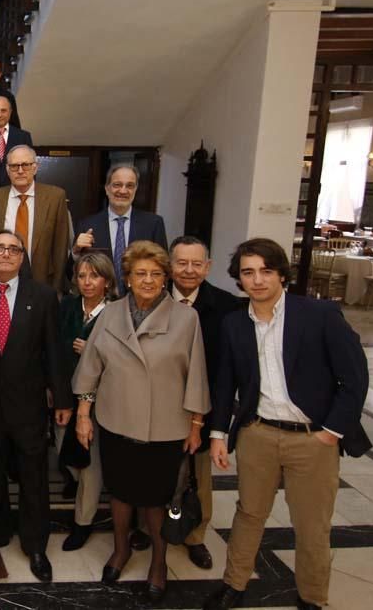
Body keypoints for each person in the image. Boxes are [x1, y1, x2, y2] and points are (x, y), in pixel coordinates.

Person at [203, 238, 371, 610]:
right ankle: (235, 583)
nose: (257, 280)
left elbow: (354, 378)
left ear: (281, 274)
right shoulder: (234, 323)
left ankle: (312, 597)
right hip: (258, 433)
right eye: (248, 272)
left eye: (266, 270)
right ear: (239, 278)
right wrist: (218, 433)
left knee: (312, 525)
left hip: (312, 439)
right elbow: (224, 381)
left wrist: (331, 432)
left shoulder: (319, 315)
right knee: (249, 513)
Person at [73, 240, 210, 605]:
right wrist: (83, 416)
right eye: (139, 274)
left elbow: (196, 373)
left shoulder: (186, 318)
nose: (147, 280)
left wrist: (196, 424)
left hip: (165, 427)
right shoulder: (111, 314)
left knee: (157, 500)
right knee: (119, 493)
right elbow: (91, 369)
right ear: (127, 278)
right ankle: (120, 551)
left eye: (155, 274)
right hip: (116, 421)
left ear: (165, 278)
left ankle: (159, 564)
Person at [0, 229, 68, 582]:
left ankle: (36, 544)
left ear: (22, 257)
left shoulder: (41, 296)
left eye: (14, 249)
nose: (7, 254)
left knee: (33, 476)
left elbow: (53, 351)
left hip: (28, 404)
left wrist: (62, 397)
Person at [167, 236, 243, 570]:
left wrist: (215, 425)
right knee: (155, 471)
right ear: (170, 265)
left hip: (203, 406)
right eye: (181, 262)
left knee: (198, 476)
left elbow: (229, 369)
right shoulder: (148, 298)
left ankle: (195, 536)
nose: (188, 270)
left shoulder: (227, 307)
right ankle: (151, 527)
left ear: (207, 267)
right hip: (157, 405)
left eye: (196, 263)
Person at [56, 252, 116, 552]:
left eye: (94, 276)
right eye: (81, 276)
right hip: (65, 394)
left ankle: (82, 522)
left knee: (90, 466)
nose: (87, 282)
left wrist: (91, 351)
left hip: (101, 400)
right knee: (64, 452)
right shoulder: (67, 306)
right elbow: (53, 346)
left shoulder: (117, 312)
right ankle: (76, 483)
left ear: (107, 280)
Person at [0, 145, 70, 290]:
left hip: (42, 281)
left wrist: (57, 289)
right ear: (7, 170)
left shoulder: (55, 197)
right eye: (15, 166)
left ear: (35, 168)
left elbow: (60, 247)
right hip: (0, 280)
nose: (20, 171)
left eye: (26, 165)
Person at [73, 163, 168, 292]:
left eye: (129, 186)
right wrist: (76, 252)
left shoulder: (153, 224)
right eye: (117, 185)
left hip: (140, 302)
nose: (123, 191)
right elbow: (71, 273)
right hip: (102, 303)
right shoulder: (88, 225)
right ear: (107, 189)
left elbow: (163, 268)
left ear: (136, 189)